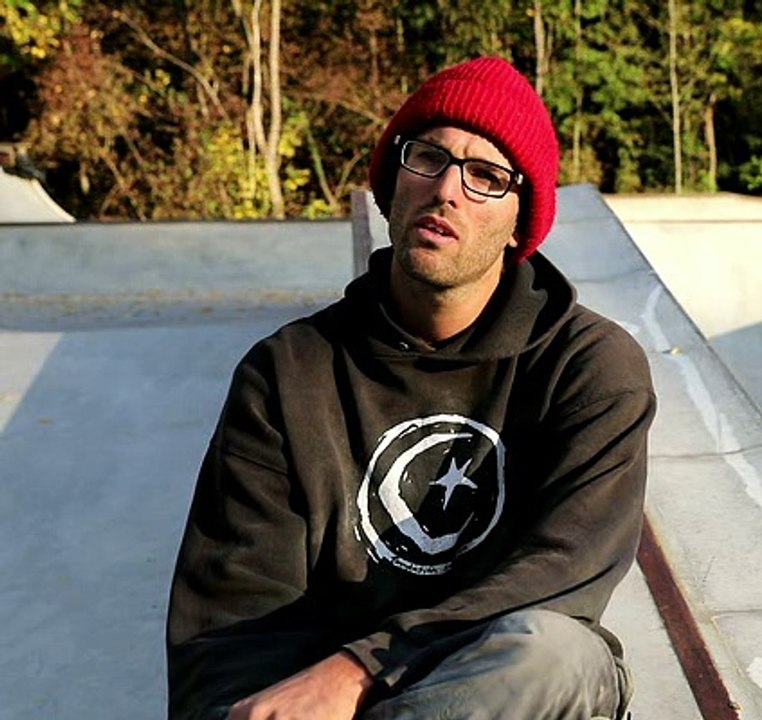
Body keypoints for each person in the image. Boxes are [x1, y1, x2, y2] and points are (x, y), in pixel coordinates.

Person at [166, 56, 656, 720]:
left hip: (511, 690)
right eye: (429, 158)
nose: (448, 191)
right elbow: (235, 619)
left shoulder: (589, 368)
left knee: (549, 650)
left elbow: (562, 575)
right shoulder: (288, 373)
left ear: (519, 223)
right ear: (392, 184)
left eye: (485, 177)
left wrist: (366, 667)